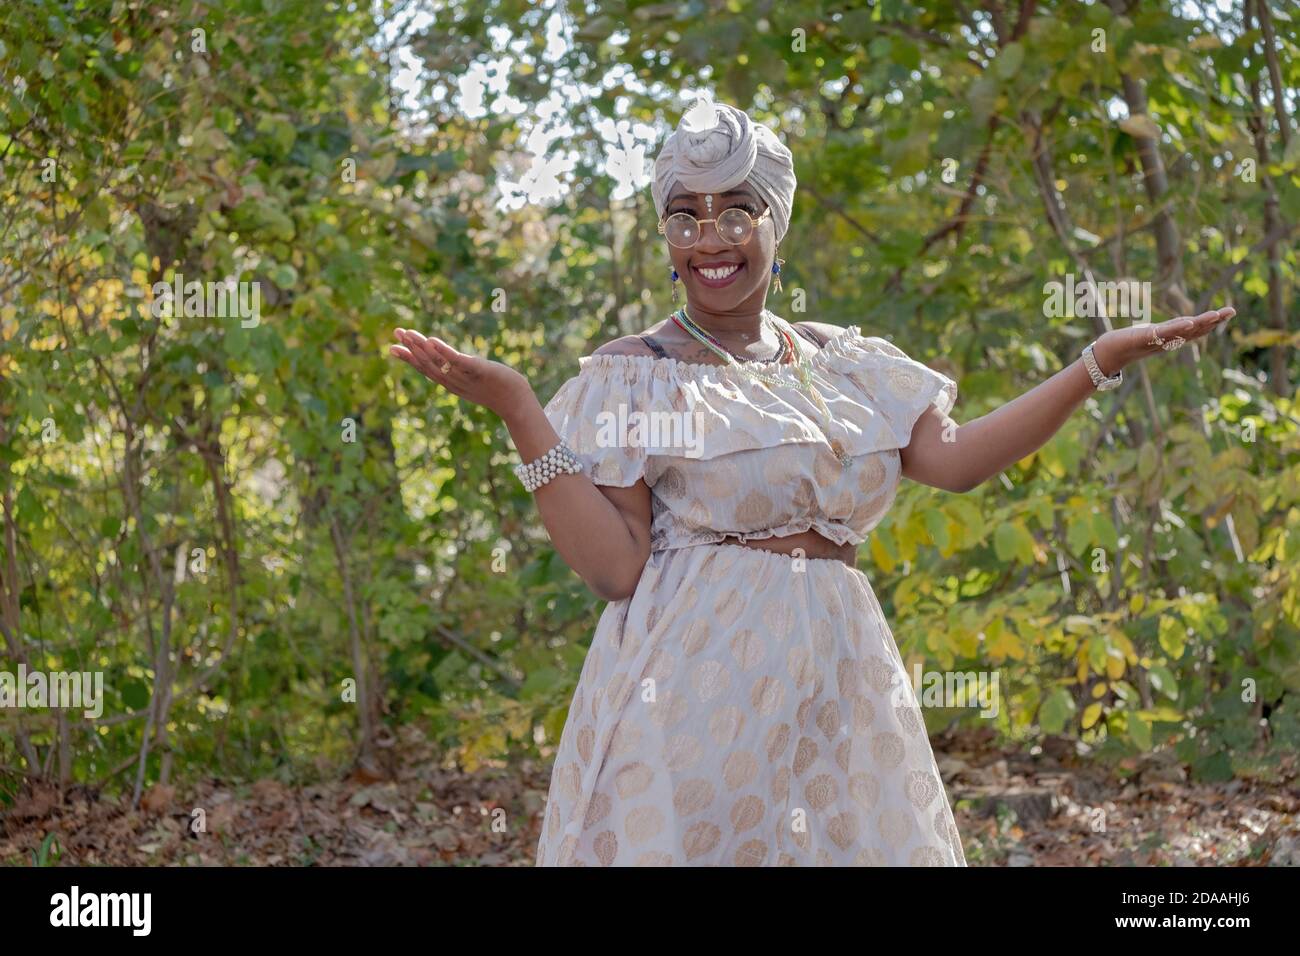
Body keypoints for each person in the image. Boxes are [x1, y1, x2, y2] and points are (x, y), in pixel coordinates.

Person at [389, 101, 1234, 866]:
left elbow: (957, 460)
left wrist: (1096, 363)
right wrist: (519, 408)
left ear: (775, 219)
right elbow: (615, 569)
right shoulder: (637, 372)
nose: (710, 239)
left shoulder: (840, 360)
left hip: (840, 674)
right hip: (693, 685)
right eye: (685, 218)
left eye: (735, 213)